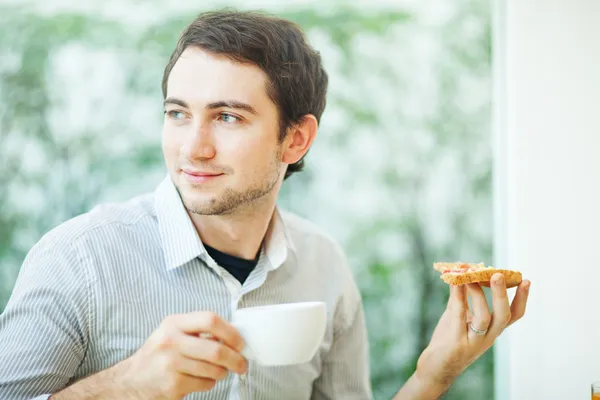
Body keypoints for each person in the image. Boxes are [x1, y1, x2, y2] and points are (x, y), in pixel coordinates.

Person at [0, 9, 531, 400]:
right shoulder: (78, 257)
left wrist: (432, 375)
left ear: (296, 140)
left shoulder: (325, 267)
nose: (193, 147)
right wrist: (126, 386)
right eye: (178, 113)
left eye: (227, 117)